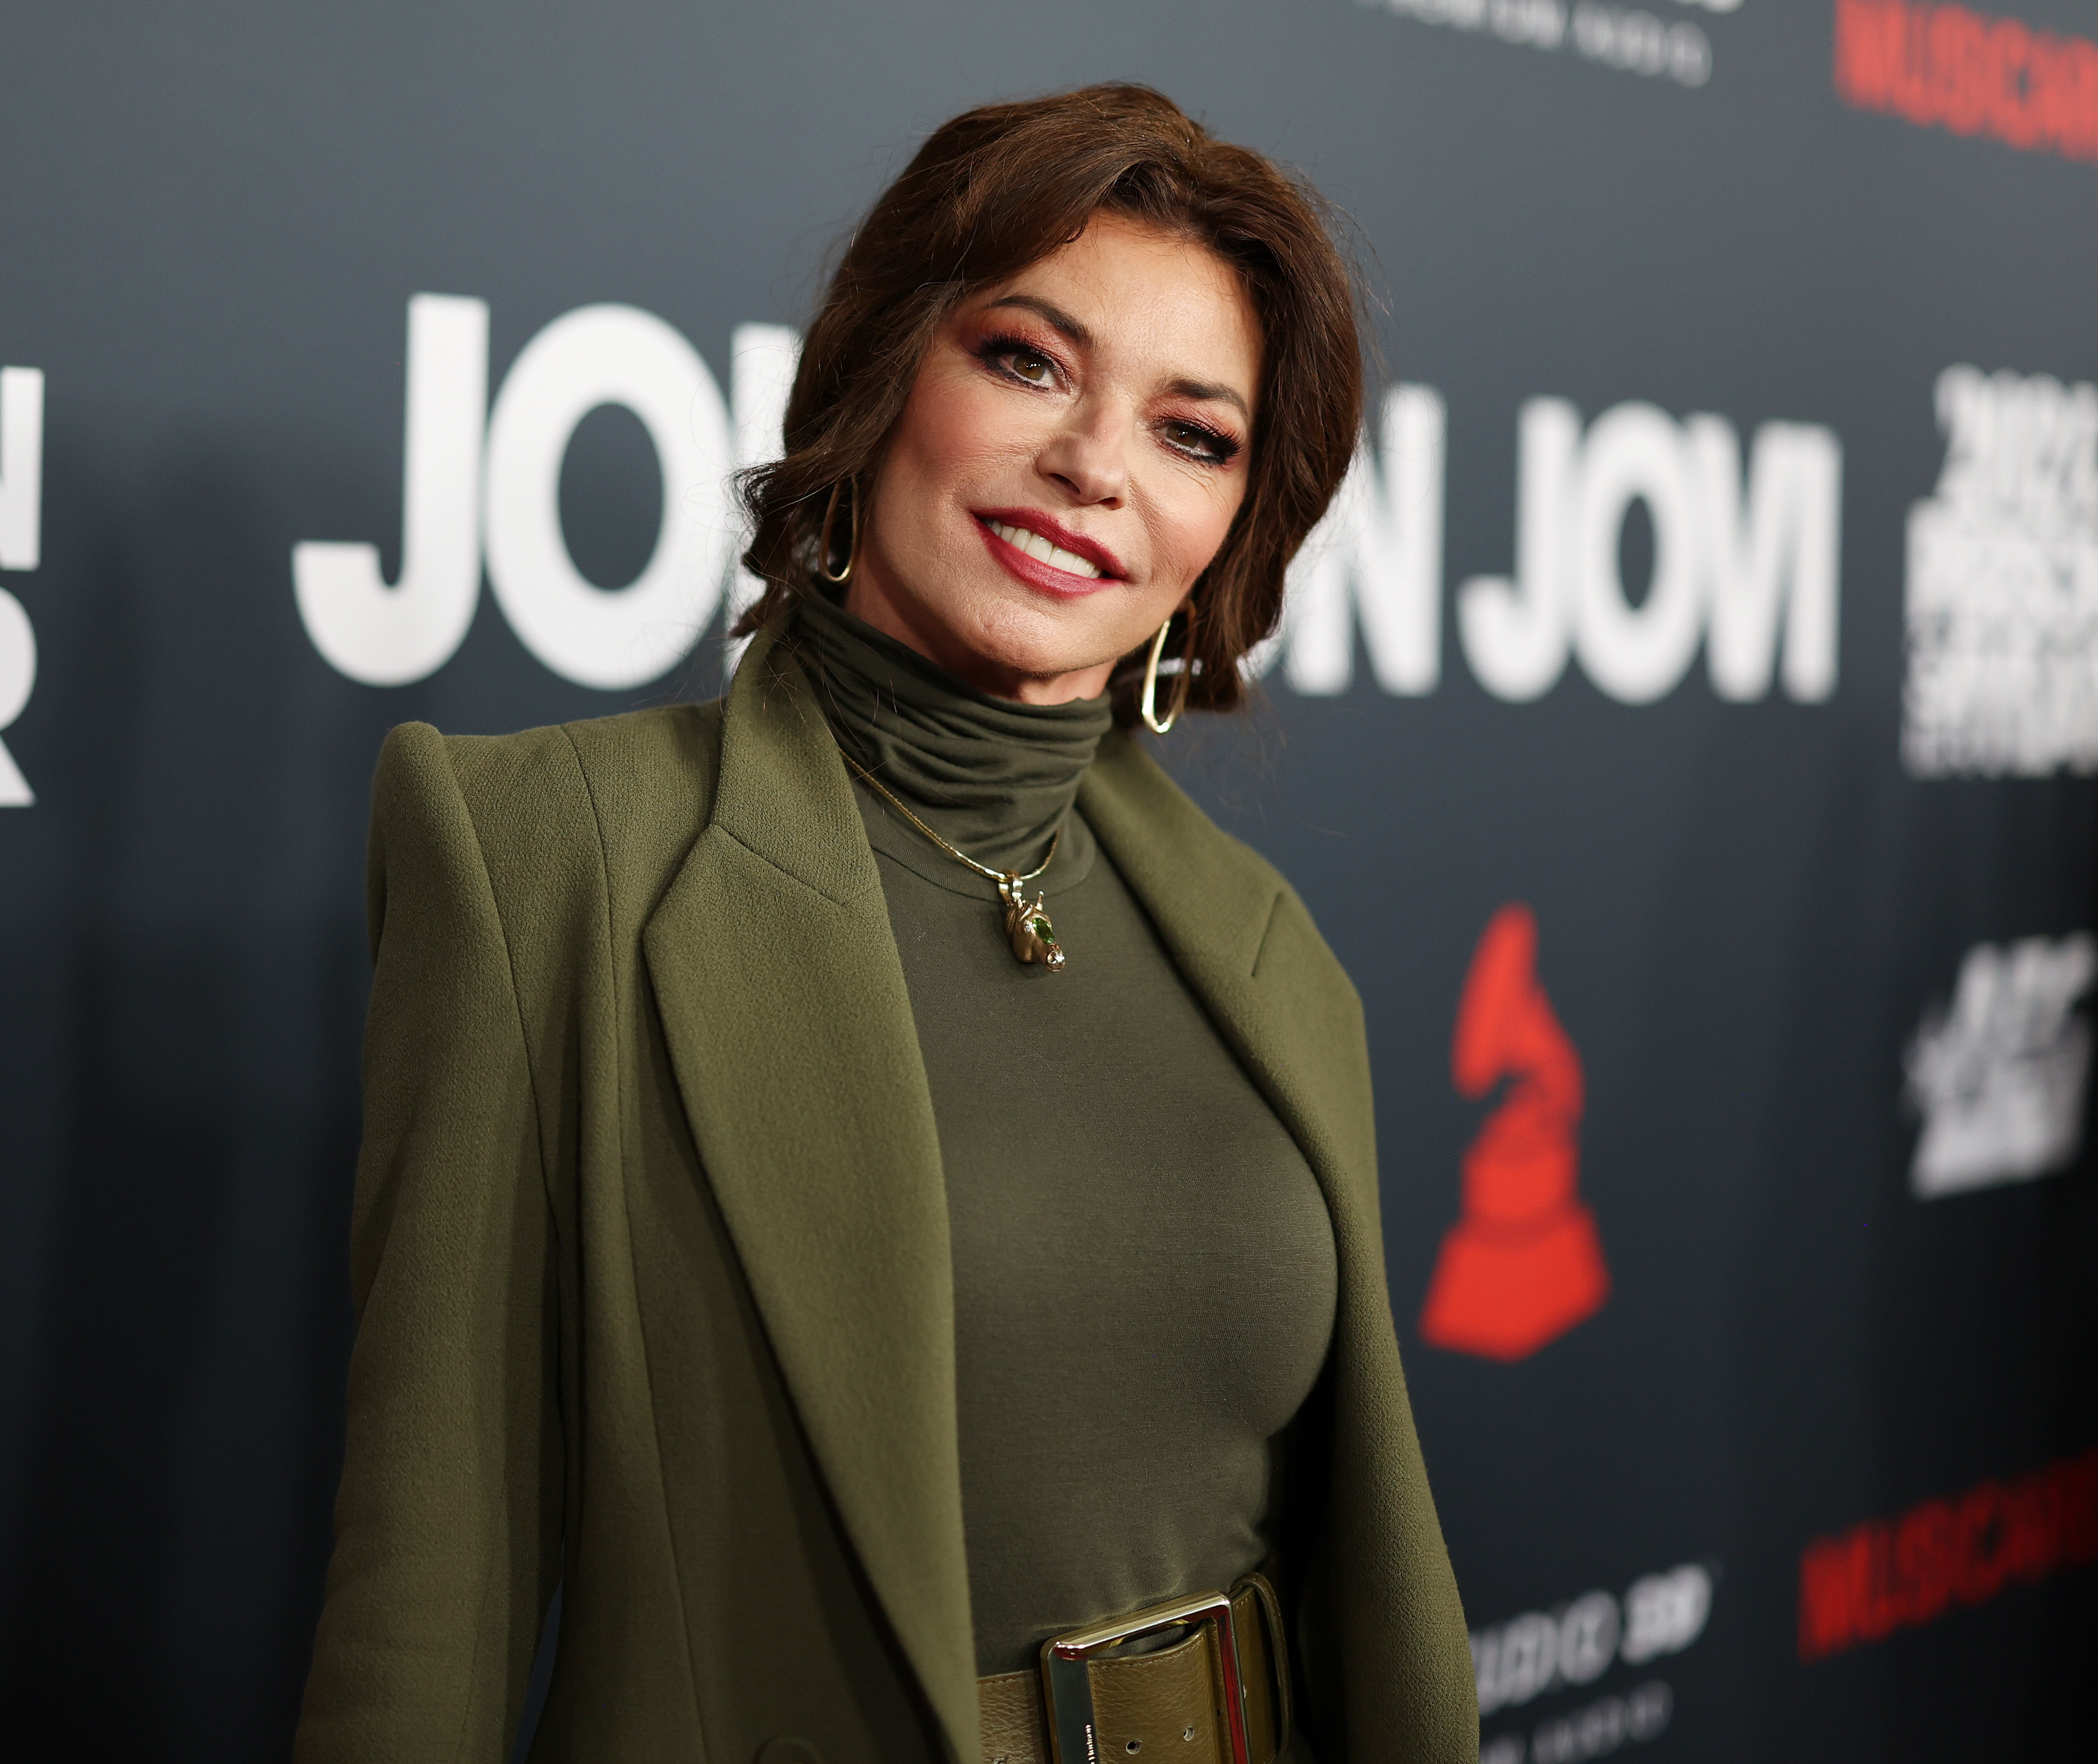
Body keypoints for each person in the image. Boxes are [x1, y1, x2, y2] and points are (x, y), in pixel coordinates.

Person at [295, 83, 1478, 1764]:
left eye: (1190, 433)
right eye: (1027, 360)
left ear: (1232, 532)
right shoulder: (550, 857)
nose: (1093, 468)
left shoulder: (1265, 944)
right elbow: (429, 1591)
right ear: (878, 375)